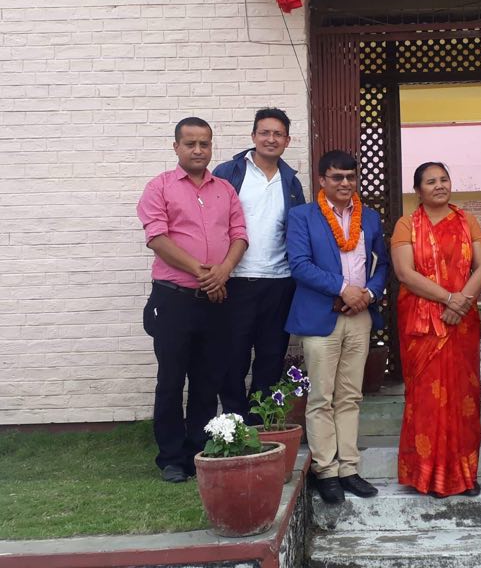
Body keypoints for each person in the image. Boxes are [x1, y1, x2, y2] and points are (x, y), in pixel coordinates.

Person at [136, 117, 248, 483]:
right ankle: (171, 458)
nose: (198, 150)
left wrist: (223, 271)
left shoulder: (225, 190)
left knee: (206, 379)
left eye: (204, 143)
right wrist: (204, 273)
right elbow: (157, 238)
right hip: (174, 300)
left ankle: (198, 450)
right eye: (191, 144)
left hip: (216, 299)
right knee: (171, 380)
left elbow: (239, 235)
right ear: (176, 147)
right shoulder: (159, 187)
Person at [285, 150, 389, 504]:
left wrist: (369, 294)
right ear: (322, 180)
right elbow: (299, 265)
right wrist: (343, 288)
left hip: (359, 315)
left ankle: (349, 468)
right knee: (321, 397)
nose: (345, 183)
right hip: (321, 316)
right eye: (337, 177)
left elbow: (381, 264)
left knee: (350, 396)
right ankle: (325, 470)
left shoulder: (369, 217)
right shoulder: (303, 216)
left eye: (350, 177)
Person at [392, 162, 481, 498]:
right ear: (418, 190)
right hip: (423, 326)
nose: (439, 185)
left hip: (461, 323)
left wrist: (460, 303)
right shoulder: (407, 224)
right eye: (431, 181)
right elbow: (405, 273)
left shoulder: (467, 221)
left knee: (463, 397)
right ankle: (427, 476)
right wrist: (448, 298)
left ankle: (464, 475)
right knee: (426, 400)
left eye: (444, 179)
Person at [213, 108, 306, 420]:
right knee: (232, 357)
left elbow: (297, 231)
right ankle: (234, 422)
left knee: (271, 357)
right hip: (236, 279)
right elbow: (211, 221)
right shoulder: (229, 172)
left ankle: (261, 423)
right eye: (265, 132)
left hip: (280, 282)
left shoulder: (290, 181)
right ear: (253, 136)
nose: (271, 139)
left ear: (287, 140)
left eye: (278, 134)